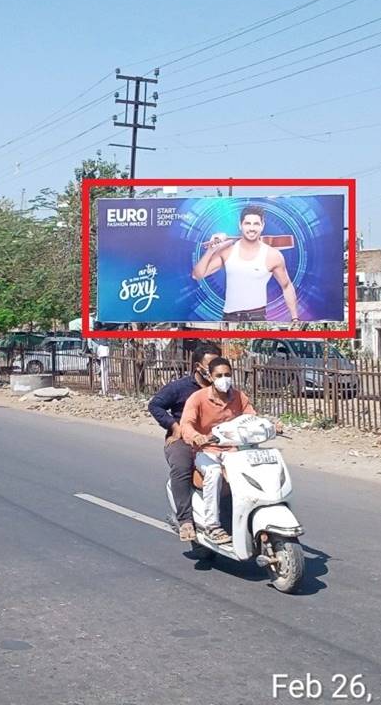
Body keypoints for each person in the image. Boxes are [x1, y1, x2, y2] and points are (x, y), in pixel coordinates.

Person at [147, 342, 222, 542]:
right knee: (181, 467)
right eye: (211, 365)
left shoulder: (225, 389)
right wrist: (174, 426)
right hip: (185, 440)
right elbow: (155, 405)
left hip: (217, 440)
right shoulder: (180, 388)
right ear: (198, 367)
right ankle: (186, 520)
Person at [179, 357, 256, 545]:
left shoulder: (239, 397)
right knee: (213, 472)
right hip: (206, 451)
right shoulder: (197, 398)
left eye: (228, 375)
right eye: (219, 375)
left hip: (233, 451)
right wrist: (196, 436)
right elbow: (186, 424)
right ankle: (212, 525)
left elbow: (251, 417)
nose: (224, 379)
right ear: (210, 377)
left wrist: (270, 426)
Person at [190, 204, 300, 324]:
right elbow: (197, 275)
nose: (251, 228)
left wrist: (295, 319)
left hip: (257, 318)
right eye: (247, 223)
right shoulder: (227, 251)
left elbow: (286, 286)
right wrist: (211, 250)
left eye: (256, 224)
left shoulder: (273, 255)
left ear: (262, 226)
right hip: (229, 318)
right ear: (240, 225)